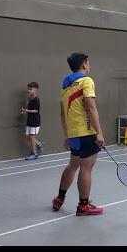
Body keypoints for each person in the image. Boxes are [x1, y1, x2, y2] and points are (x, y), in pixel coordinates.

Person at [52, 52, 106, 216]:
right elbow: (90, 107)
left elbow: (62, 113)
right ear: (84, 64)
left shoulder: (65, 86)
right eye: (88, 63)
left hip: (74, 134)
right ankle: (83, 206)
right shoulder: (86, 81)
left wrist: (68, 135)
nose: (89, 65)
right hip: (86, 132)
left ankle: (59, 198)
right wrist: (99, 133)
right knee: (86, 167)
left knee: (73, 165)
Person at [21, 82, 43, 160]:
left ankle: (34, 153)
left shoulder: (36, 99)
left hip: (35, 120)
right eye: (28, 89)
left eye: (31, 89)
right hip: (29, 120)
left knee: (31, 136)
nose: (29, 91)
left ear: (35, 90)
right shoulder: (29, 99)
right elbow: (29, 109)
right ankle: (39, 144)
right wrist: (24, 111)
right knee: (28, 136)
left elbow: (36, 110)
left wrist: (27, 111)